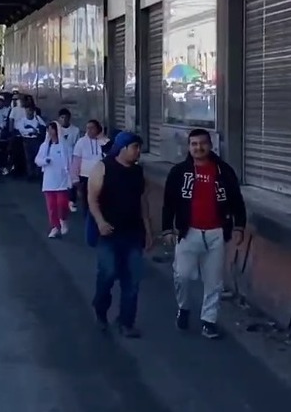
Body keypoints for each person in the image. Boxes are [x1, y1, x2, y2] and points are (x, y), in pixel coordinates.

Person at [161, 128, 247, 339]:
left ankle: (209, 321)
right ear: (188, 147)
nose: (198, 148)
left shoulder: (223, 171)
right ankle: (184, 307)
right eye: (194, 144)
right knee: (182, 275)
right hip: (188, 232)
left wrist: (239, 226)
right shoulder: (179, 172)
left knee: (214, 281)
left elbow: (237, 200)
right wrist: (167, 229)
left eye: (202, 143)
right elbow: (169, 203)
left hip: (217, 233)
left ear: (210, 145)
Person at [87, 131, 152, 338]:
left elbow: (142, 202)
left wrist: (148, 231)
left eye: (139, 147)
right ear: (122, 148)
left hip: (133, 233)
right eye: (135, 147)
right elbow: (92, 200)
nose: (138, 151)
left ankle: (126, 322)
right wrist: (100, 222)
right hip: (109, 234)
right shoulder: (103, 168)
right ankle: (100, 310)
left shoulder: (137, 172)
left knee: (132, 280)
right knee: (108, 274)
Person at [35, 122, 73, 238]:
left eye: (52, 130)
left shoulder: (65, 146)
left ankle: (63, 221)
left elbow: (70, 160)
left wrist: (71, 176)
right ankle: (55, 227)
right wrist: (45, 161)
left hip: (62, 179)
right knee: (51, 206)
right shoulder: (45, 146)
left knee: (61, 204)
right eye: (48, 130)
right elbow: (37, 160)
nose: (50, 132)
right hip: (49, 180)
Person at [71, 119, 108, 213]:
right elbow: (76, 162)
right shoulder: (81, 142)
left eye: (92, 128)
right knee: (87, 204)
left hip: (101, 177)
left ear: (98, 129)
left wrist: (102, 139)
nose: (90, 130)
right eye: (88, 128)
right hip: (85, 178)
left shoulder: (105, 142)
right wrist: (75, 179)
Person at [57, 109, 81, 211]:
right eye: (62, 118)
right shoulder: (56, 130)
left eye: (66, 118)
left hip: (72, 156)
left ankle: (72, 201)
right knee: (61, 180)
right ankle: (62, 200)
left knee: (73, 179)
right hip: (60, 157)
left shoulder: (75, 130)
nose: (64, 120)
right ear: (59, 118)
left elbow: (77, 144)